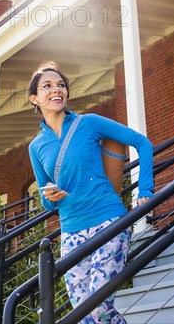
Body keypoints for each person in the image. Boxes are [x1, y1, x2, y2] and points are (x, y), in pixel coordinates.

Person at [27, 61, 154, 323]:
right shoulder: (36, 146)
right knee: (82, 316)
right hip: (71, 233)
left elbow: (141, 142)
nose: (56, 90)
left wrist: (146, 189)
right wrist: (49, 197)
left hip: (109, 221)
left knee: (98, 306)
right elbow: (45, 201)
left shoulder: (89, 123)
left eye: (60, 85)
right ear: (34, 98)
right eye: (47, 86)